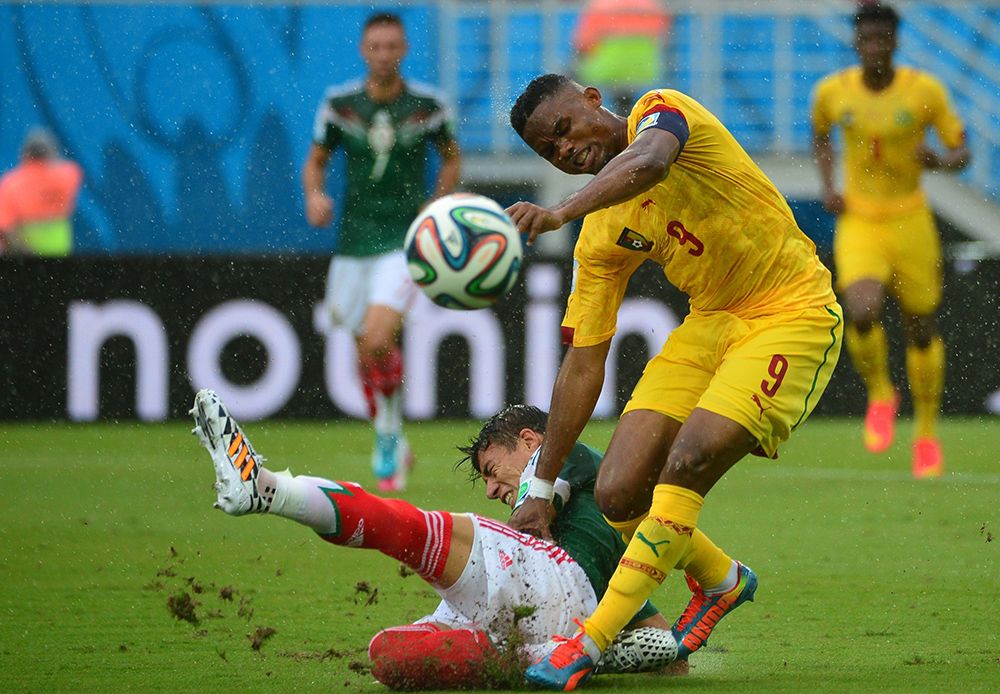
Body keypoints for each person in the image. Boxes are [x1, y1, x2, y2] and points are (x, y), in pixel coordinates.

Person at [502, 73, 843, 690]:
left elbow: (651, 164)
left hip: (789, 311)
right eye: (549, 152)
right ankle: (720, 579)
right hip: (709, 324)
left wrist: (559, 210)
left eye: (563, 129)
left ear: (592, 100)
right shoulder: (600, 237)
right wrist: (543, 484)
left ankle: (590, 641)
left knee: (686, 460)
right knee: (617, 493)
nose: (565, 150)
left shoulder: (663, 113)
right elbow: (583, 361)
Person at [191, 390, 681, 689]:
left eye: (492, 471)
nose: (491, 490)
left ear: (532, 442)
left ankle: (269, 490)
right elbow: (664, 646)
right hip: (553, 617)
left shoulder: (560, 451)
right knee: (390, 655)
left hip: (542, 580)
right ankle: (546, 655)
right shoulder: (608, 525)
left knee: (411, 529)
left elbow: (532, 520)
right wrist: (641, 652)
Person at [302, 12, 462, 492]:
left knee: (375, 340)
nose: (384, 54)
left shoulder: (429, 105)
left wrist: (438, 203)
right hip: (353, 241)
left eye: (393, 46)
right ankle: (390, 431)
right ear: (363, 50)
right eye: (376, 46)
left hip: (402, 239)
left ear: (405, 49)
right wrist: (314, 194)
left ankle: (388, 437)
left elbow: (452, 156)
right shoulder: (339, 104)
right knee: (363, 358)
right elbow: (316, 162)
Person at [811, 2, 969, 479]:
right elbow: (820, 136)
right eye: (868, 40)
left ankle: (925, 432)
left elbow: (962, 150)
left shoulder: (924, 92)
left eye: (884, 39)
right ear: (857, 44)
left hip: (911, 219)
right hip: (861, 220)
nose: (876, 47)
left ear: (896, 43)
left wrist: (939, 160)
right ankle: (881, 391)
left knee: (920, 325)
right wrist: (830, 186)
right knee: (860, 309)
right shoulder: (833, 92)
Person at [572, 0, 672, 116]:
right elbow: (664, 37)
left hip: (606, 69)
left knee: (570, 77)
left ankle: (578, 118)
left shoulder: (599, 6)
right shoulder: (653, 6)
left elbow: (583, 44)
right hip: (643, 69)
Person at [0, 128, 83, 256]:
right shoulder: (67, 176)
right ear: (51, 152)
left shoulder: (10, 184)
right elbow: (71, 170)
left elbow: (6, 227)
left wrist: (28, 254)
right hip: (59, 256)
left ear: (24, 153)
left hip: (23, 259)